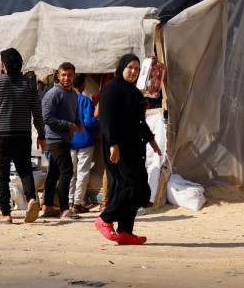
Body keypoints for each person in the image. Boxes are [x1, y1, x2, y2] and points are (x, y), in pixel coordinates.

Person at [94, 54, 162, 245]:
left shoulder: (134, 92)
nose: (133, 72)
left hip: (135, 146)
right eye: (130, 67)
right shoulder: (111, 90)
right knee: (130, 185)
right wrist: (113, 144)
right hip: (118, 148)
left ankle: (125, 231)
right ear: (122, 68)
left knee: (139, 189)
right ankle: (105, 219)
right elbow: (106, 120)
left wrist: (152, 140)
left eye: (136, 69)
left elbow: (139, 122)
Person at [0, 48, 46, 224]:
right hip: (23, 135)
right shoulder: (29, 84)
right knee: (25, 170)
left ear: (3, 64)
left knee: (2, 175)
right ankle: (32, 201)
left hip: (1, 136)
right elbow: (37, 113)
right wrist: (42, 135)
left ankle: (6, 214)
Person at [41, 62, 82, 219]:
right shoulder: (53, 93)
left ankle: (49, 207)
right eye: (63, 75)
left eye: (69, 75)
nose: (66, 78)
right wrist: (67, 125)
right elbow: (46, 117)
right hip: (55, 138)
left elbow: (74, 113)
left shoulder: (73, 94)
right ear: (57, 76)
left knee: (54, 173)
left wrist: (78, 123)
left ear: (74, 76)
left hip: (66, 138)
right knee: (67, 171)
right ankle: (65, 208)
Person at [69, 73, 99, 214]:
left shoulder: (66, 99)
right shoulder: (85, 101)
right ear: (83, 85)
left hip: (69, 140)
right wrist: (97, 128)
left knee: (71, 173)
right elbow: (89, 122)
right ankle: (77, 203)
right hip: (85, 140)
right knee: (82, 172)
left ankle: (69, 201)